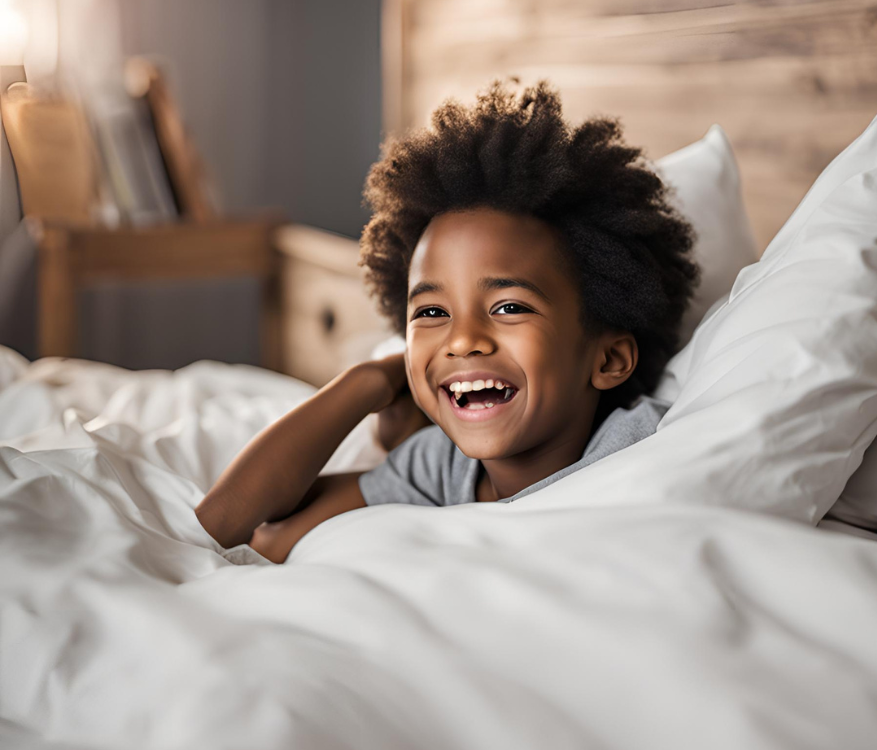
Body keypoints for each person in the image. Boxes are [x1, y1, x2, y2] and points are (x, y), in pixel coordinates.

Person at [195, 79, 698, 563]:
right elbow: (239, 527)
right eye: (432, 312)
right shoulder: (442, 466)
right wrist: (366, 383)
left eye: (509, 307)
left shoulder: (640, 450)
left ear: (608, 359)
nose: (462, 340)